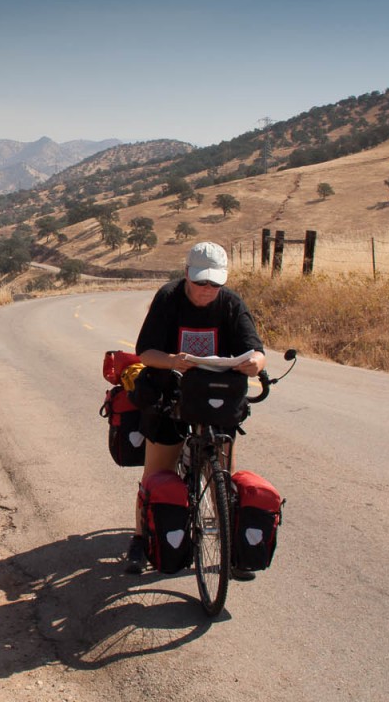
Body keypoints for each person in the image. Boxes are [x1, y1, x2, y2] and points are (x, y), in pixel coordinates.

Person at [124, 241, 266, 578]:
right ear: (187, 274)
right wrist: (173, 361)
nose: (207, 290)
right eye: (201, 282)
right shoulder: (169, 298)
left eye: (215, 283)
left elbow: (256, 350)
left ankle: (230, 547)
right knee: (157, 472)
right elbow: (146, 353)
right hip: (170, 396)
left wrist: (255, 364)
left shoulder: (231, 303)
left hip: (214, 400)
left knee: (221, 474)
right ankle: (141, 540)